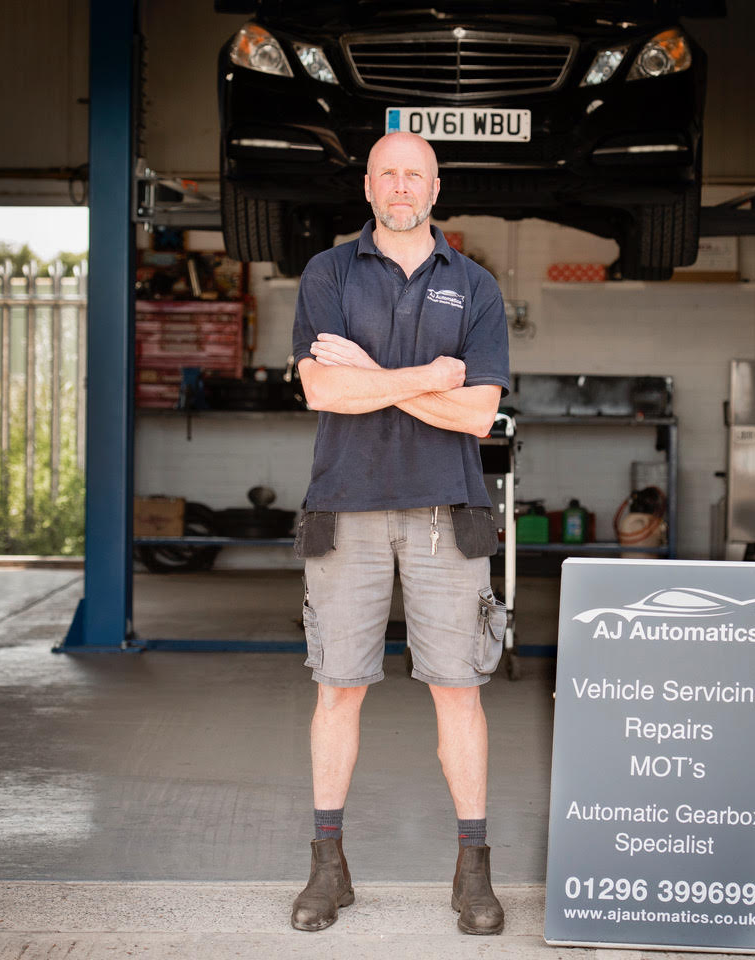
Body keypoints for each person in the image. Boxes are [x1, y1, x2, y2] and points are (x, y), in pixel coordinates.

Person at [288, 131, 511, 935]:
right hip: (345, 506)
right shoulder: (329, 273)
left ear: (436, 186)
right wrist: (427, 377)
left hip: (446, 512)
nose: (401, 185)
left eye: (415, 173)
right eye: (388, 173)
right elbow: (321, 390)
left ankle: (474, 872)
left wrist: (370, 379)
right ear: (369, 187)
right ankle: (326, 867)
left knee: (458, 689)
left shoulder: (474, 285)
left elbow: (479, 414)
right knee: (338, 686)